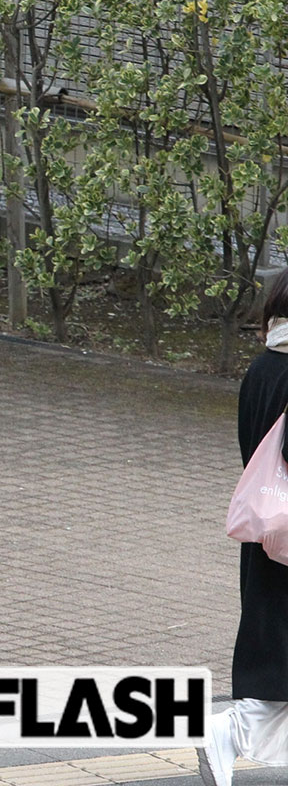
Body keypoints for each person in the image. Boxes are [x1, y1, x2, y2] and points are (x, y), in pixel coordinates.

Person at [199, 268, 288, 785]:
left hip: (269, 529)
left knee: (278, 652)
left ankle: (229, 732)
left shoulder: (263, 367)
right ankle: (228, 731)